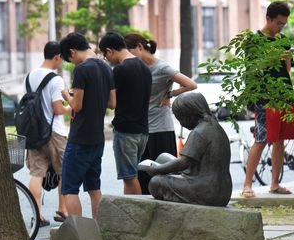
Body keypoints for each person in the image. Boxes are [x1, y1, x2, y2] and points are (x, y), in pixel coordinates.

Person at [124, 33, 197, 195]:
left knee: (165, 174)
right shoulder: (135, 68)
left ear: (140, 47)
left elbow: (191, 84)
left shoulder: (162, 68)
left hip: (161, 129)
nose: (127, 57)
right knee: (143, 174)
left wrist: (169, 95)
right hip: (142, 129)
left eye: (129, 52)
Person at [241, 1, 294, 198]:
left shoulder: (283, 40)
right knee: (262, 139)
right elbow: (252, 70)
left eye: (284, 24)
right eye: (279, 23)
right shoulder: (253, 40)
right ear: (268, 19)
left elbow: (287, 70)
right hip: (265, 97)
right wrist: (273, 58)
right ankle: (247, 184)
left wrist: (285, 58)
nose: (281, 27)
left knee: (281, 140)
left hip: (285, 95)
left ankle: (275, 183)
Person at [138, 92, 232, 207]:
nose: (181, 124)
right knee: (163, 157)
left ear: (190, 116)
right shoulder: (214, 126)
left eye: (180, 119)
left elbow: (184, 162)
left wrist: (156, 169)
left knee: (155, 182)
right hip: (222, 190)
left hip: (206, 190)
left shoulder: (199, 132)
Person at [59, 32, 116, 219]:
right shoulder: (106, 67)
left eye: (70, 59)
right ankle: (98, 232)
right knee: (94, 188)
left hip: (80, 137)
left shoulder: (82, 70)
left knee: (69, 189)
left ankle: (80, 236)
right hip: (97, 139)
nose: (73, 63)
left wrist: (67, 95)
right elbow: (112, 103)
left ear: (72, 52)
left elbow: (77, 105)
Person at [99, 32, 151, 194]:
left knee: (129, 177)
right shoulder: (144, 67)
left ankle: (134, 216)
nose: (107, 60)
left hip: (126, 131)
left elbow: (110, 102)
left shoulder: (121, 70)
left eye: (105, 56)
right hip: (143, 130)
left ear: (109, 51)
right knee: (131, 176)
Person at [25, 41, 71, 226]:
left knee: (37, 174)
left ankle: (38, 215)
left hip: (34, 133)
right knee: (64, 171)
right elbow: (58, 109)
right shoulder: (56, 79)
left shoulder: (29, 76)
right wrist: (70, 108)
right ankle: (62, 210)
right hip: (55, 132)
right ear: (57, 57)